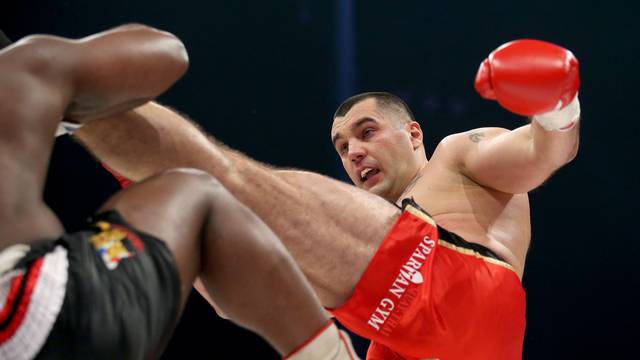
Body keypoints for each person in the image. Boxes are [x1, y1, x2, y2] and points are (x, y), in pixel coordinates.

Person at [71, 39, 581, 359]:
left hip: (454, 291)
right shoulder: (363, 241)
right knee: (218, 216)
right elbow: (241, 291)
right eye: (342, 147)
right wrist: (147, 186)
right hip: (399, 330)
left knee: (229, 182)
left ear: (413, 133)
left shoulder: (457, 158)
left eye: (366, 132)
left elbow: (544, 151)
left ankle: (56, 86)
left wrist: (559, 108)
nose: (353, 152)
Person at [0, 25, 358, 360]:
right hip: (31, 326)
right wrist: (52, 87)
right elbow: (168, 55)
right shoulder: (19, 71)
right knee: (195, 193)